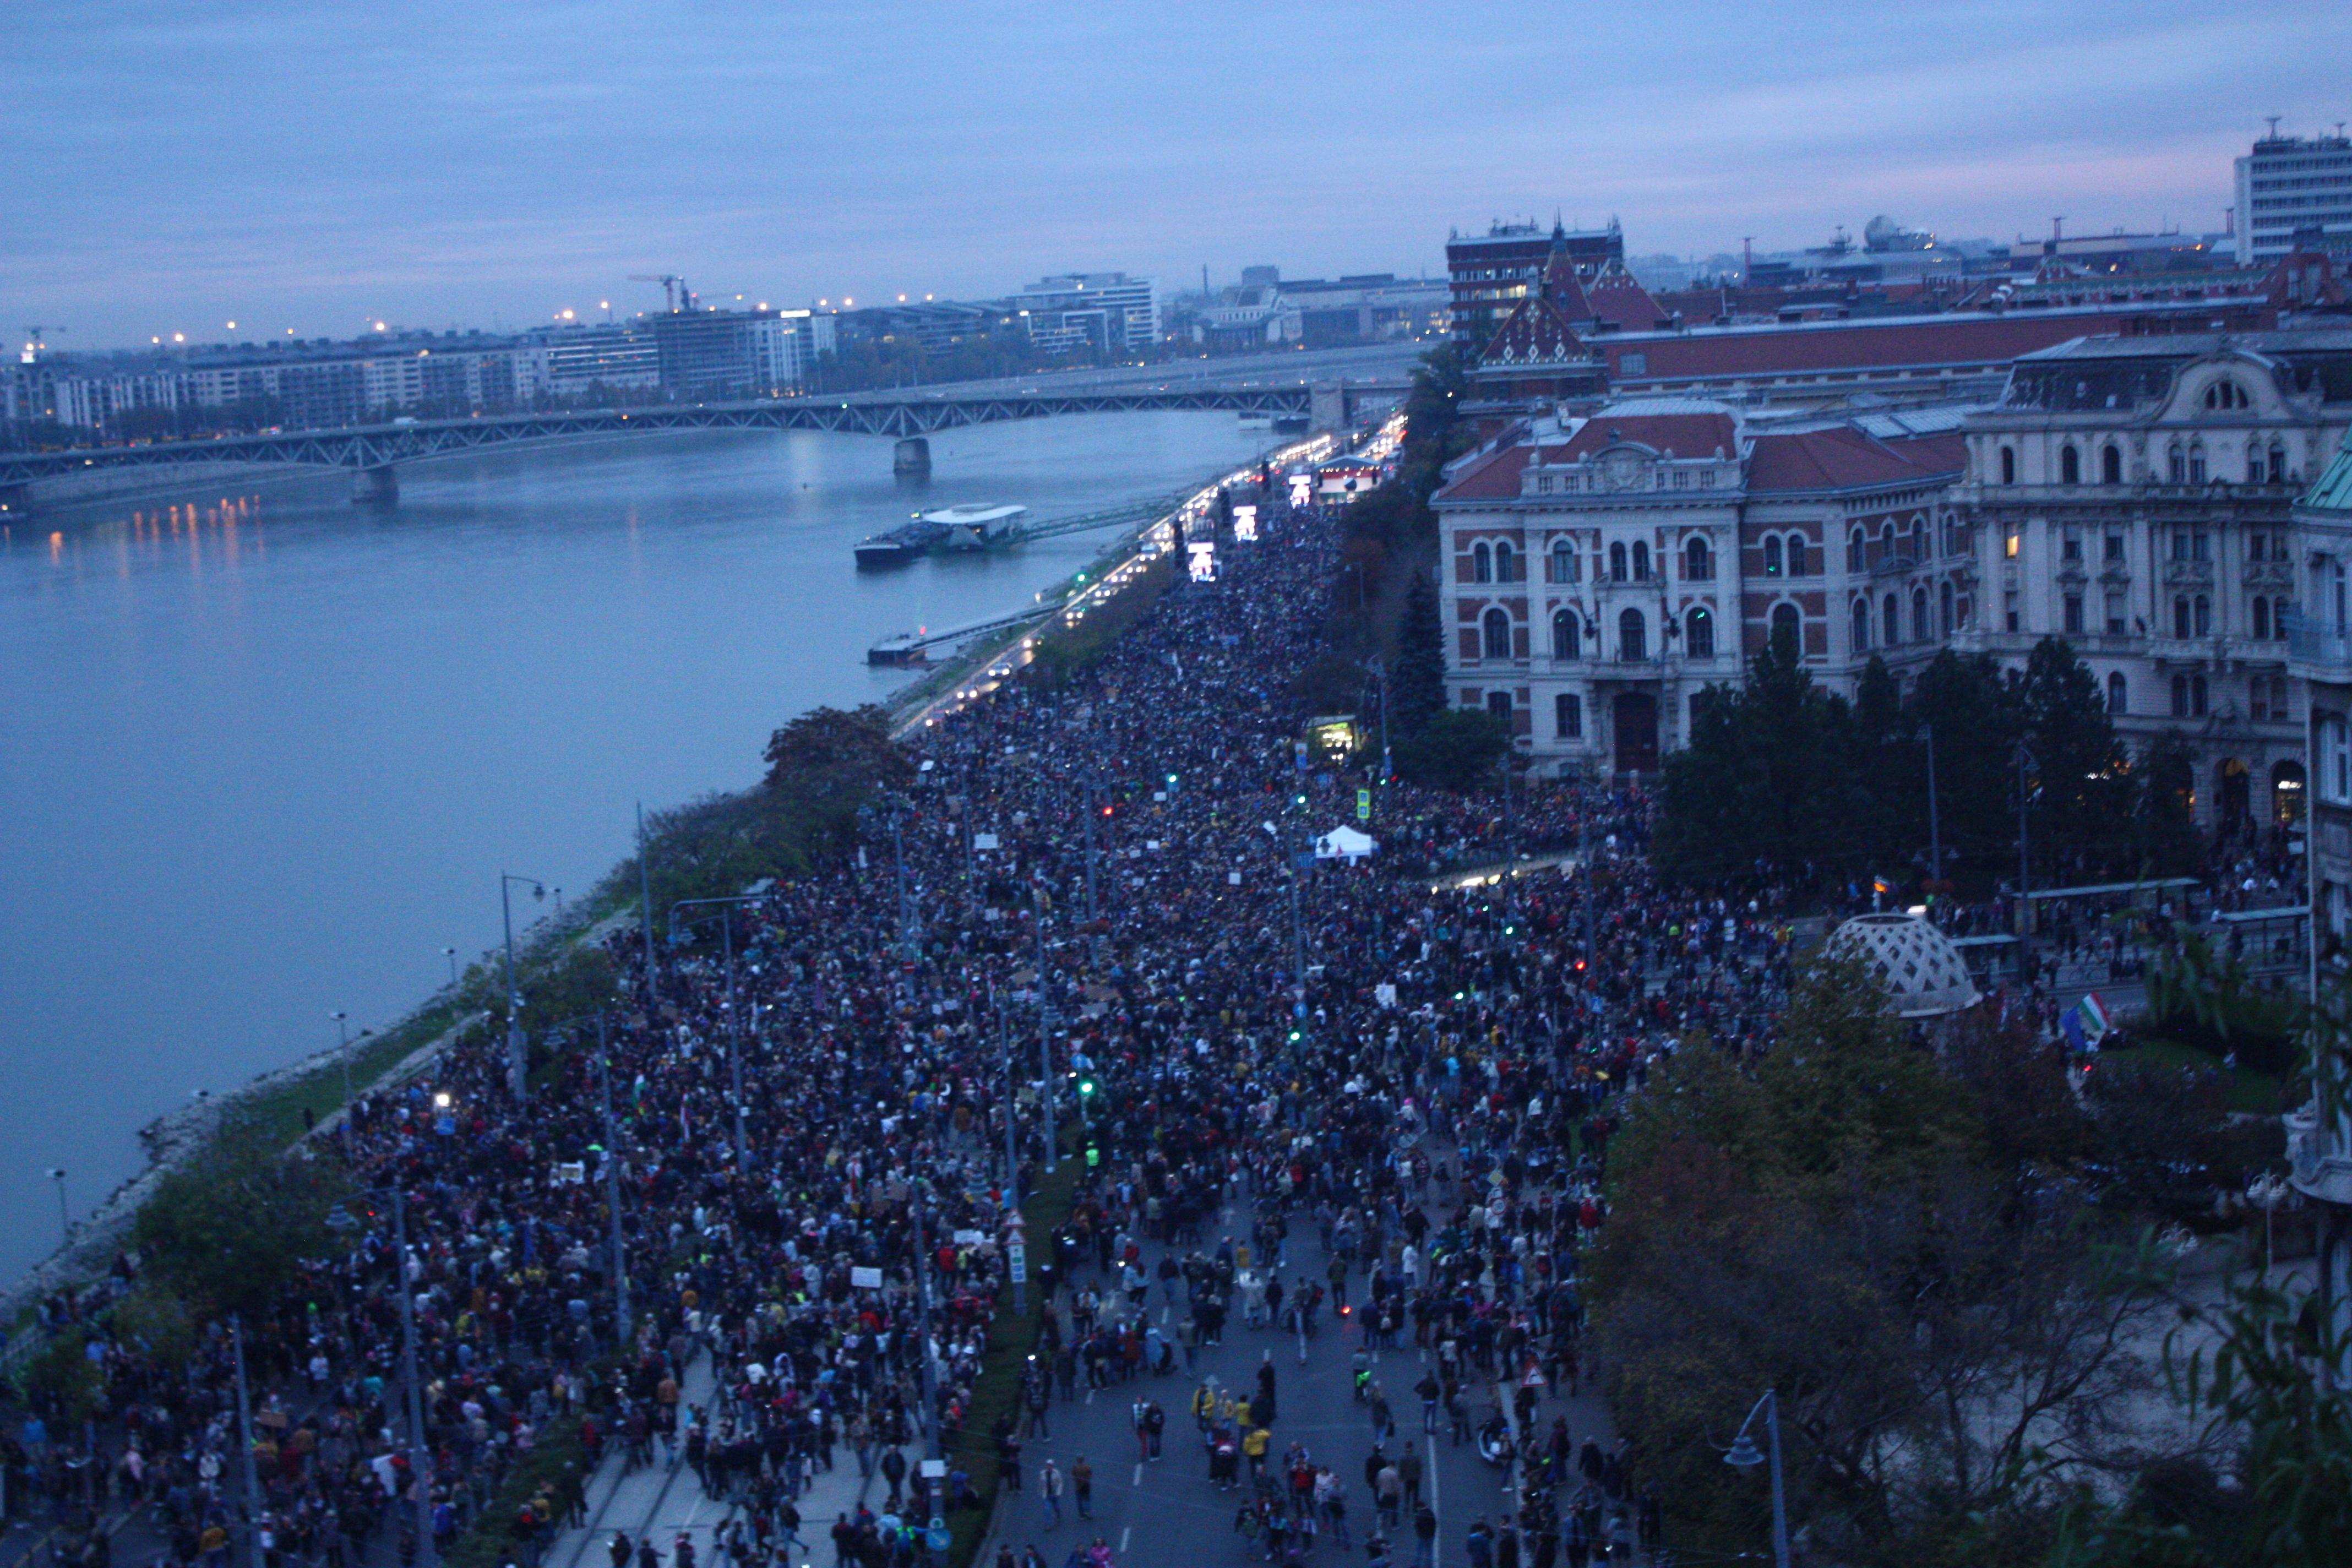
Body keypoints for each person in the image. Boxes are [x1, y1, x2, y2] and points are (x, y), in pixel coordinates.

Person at [1039, 1460, 1065, 1528]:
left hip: (1054, 1494)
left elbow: (1060, 1483)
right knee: (1047, 1509)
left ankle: (1058, 1515)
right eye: (1048, 1465)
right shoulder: (1043, 1473)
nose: (1049, 1467)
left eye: (1050, 1465)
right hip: (1046, 1495)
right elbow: (1041, 1483)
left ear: (1052, 1466)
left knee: (1056, 1507)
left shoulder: (1056, 1473)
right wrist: (1041, 1491)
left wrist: (1058, 1493)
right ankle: (1048, 1524)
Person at [1071, 1456, 1093, 1521]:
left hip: (1078, 1487)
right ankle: (1088, 1513)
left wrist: (1077, 1479)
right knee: (1087, 1500)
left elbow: (1073, 1475)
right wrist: (1087, 1479)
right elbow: (1090, 1475)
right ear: (1083, 1460)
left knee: (1079, 1502)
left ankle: (1082, 1516)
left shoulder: (1075, 1468)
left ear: (1077, 1461)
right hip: (1086, 1486)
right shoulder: (1087, 1467)